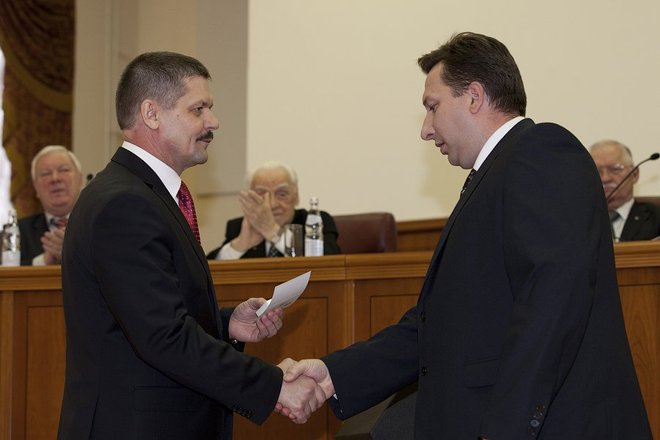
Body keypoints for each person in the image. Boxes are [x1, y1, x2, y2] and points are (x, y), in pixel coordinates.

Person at [279, 32, 652, 439]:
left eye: (432, 107)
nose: (426, 130)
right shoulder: (494, 174)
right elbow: (437, 326)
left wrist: (505, 429)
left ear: (474, 97)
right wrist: (334, 375)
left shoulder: (540, 150)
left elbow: (554, 299)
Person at [57, 52, 324, 440]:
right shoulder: (124, 203)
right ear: (151, 114)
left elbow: (145, 314)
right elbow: (162, 336)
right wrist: (274, 386)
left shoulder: (143, 194)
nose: (213, 122)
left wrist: (226, 323)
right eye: (198, 109)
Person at [206, 161, 341, 259]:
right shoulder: (239, 227)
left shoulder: (314, 221)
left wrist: (273, 232)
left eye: (282, 194)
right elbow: (207, 273)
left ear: (296, 196)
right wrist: (239, 245)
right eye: (261, 195)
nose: (272, 204)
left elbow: (331, 262)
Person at [18, 145, 84, 265]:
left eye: (63, 170)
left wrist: (73, 253)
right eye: (46, 174)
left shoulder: (100, 225)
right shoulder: (17, 232)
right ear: (35, 187)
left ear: (80, 180)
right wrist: (44, 261)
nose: (55, 178)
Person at [589, 139, 660, 241]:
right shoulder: (578, 220)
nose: (605, 178)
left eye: (615, 169)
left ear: (635, 174)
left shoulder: (656, 218)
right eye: (597, 171)